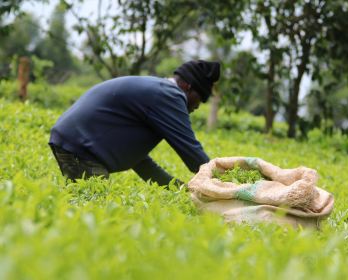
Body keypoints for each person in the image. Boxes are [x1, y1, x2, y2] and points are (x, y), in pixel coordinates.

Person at [48, 60, 220, 187]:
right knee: (93, 213)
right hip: (82, 146)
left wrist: (180, 190)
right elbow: (191, 151)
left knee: (87, 208)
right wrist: (225, 182)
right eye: (201, 98)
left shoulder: (157, 94)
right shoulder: (169, 96)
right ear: (188, 86)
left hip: (74, 141)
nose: (198, 106)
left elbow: (139, 161)